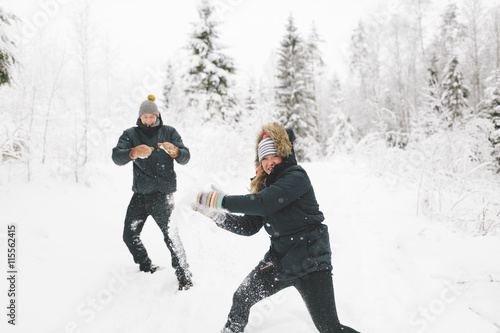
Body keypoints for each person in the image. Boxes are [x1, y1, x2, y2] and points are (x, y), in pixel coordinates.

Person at [193, 123, 361, 333]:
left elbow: (263, 203)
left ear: (283, 154)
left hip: (311, 261)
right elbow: (249, 226)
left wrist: (222, 200)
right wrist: (216, 215)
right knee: (242, 297)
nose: (269, 162)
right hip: (281, 260)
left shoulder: (296, 177)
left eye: (273, 156)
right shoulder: (266, 187)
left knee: (329, 327)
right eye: (264, 158)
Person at [112, 95, 193, 290]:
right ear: (140, 117)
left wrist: (176, 152)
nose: (148, 120)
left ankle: (184, 276)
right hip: (140, 195)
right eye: (145, 116)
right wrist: (132, 153)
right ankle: (146, 266)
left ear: (157, 116)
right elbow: (116, 156)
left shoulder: (169, 132)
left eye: (152, 116)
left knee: (171, 236)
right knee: (129, 235)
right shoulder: (130, 134)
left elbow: (185, 156)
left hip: (163, 196)